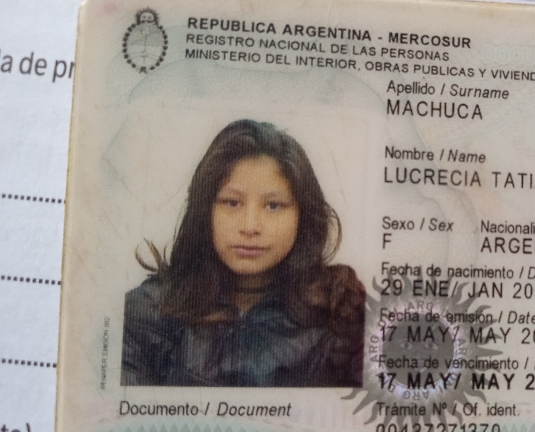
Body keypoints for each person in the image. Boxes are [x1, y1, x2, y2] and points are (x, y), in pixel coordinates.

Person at [121, 119, 365, 387]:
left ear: (303, 215)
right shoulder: (147, 311)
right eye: (232, 202)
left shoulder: (341, 313)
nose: (250, 227)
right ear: (205, 211)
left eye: (273, 206)